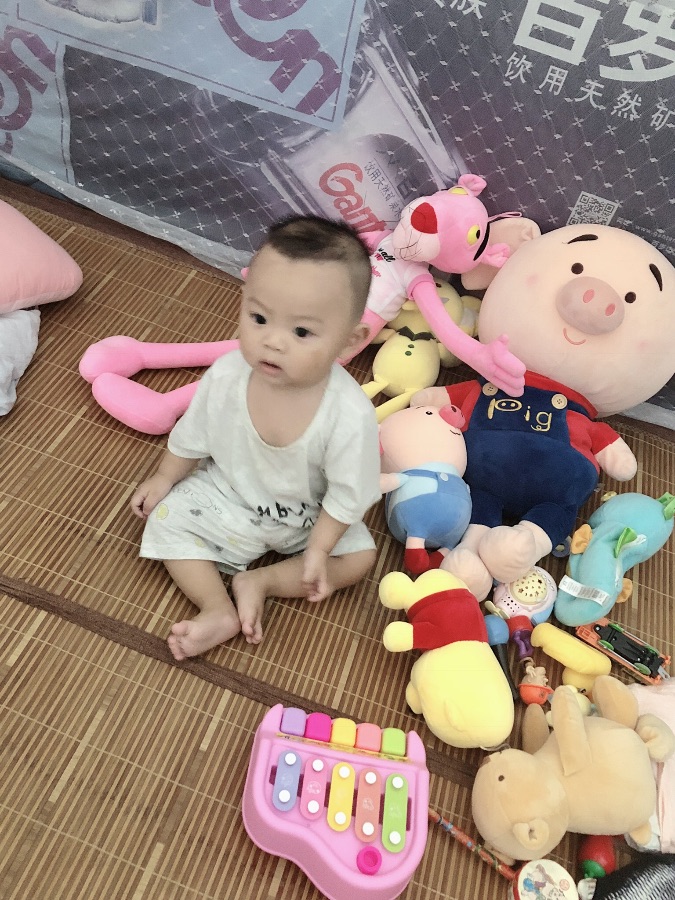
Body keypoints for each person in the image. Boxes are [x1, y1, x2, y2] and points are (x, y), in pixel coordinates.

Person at [130, 215, 381, 659]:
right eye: (259, 318)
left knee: (359, 557)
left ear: (349, 341)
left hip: (308, 518)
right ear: (242, 303)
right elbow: (192, 435)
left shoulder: (349, 415)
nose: (273, 342)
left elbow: (347, 496)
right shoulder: (227, 376)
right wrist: (164, 477)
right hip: (227, 494)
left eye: (301, 331)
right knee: (166, 516)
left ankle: (262, 581)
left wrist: (319, 549)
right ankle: (216, 608)